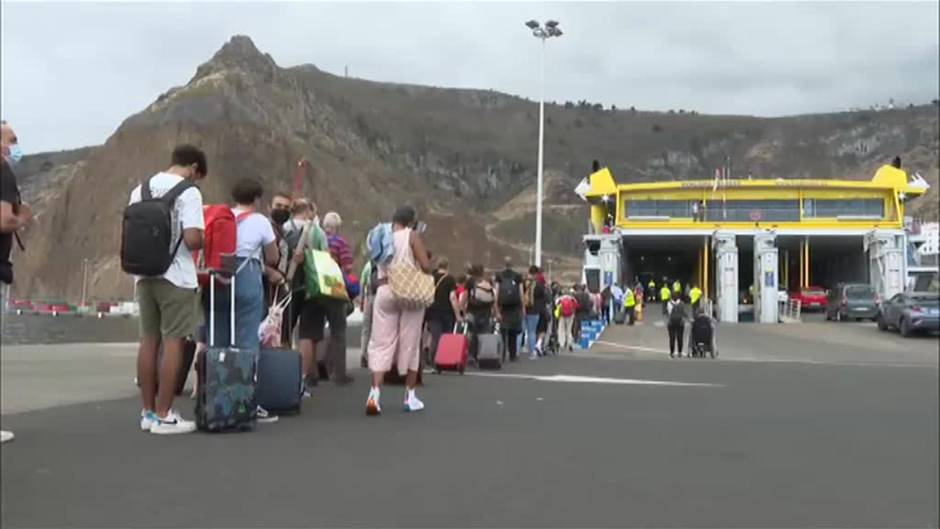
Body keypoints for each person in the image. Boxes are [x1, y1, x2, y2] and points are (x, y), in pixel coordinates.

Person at [128, 145, 206, 434]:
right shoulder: (189, 192)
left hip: (143, 274)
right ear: (194, 168)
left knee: (148, 341)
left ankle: (148, 412)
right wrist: (204, 238)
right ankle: (165, 413)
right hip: (176, 277)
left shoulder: (140, 189)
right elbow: (192, 239)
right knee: (174, 341)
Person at [365, 206, 431, 415]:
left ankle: (374, 394)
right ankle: (409, 396)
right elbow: (425, 265)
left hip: (385, 290)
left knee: (380, 342)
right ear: (411, 221)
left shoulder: (379, 235)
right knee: (410, 341)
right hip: (409, 292)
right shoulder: (411, 236)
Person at [1, 120, 31, 444]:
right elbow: (4, 219)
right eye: (11, 139)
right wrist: (23, 217)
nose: (16, 146)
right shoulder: (3, 172)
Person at [320, 211, 354, 385]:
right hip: (334, 287)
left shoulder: (316, 239)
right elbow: (347, 266)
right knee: (338, 331)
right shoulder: (340, 242)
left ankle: (316, 369)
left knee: (315, 330)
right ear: (337, 227)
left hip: (316, 288)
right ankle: (339, 373)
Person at [281, 198, 316, 346]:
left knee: (285, 322)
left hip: (285, 277)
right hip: (305, 282)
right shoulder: (312, 229)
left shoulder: (283, 227)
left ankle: (284, 348)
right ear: (307, 211)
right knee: (306, 328)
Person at [427, 258, 457, 366]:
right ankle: (443, 359)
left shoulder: (430, 278)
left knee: (435, 336)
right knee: (445, 337)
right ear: (447, 267)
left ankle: (432, 360)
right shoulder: (450, 279)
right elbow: (452, 297)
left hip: (432, 311)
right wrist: (457, 314)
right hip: (446, 312)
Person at [495, 257, 525, 362]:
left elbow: (497, 293)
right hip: (515, 307)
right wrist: (523, 307)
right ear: (512, 265)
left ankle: (502, 354)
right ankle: (512, 354)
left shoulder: (499, 276)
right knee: (513, 331)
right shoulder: (518, 276)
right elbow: (521, 294)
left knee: (503, 331)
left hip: (503, 307)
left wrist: (496, 308)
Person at [464, 264, 495, 363]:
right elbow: (493, 298)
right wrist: (495, 312)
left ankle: (471, 355)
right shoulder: (487, 281)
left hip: (472, 311)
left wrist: (461, 309)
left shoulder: (470, 282)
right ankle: (482, 355)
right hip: (486, 312)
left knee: (472, 333)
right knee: (483, 334)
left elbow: (465, 296)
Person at [359, 258, 374, 368]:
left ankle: (363, 354)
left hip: (368, 297)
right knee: (378, 329)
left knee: (366, 329)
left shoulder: (368, 265)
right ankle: (374, 356)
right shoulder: (385, 263)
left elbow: (362, 283)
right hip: (380, 296)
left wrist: (362, 299)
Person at [555, 287, 579, 352]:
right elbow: (577, 306)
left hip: (562, 315)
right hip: (571, 315)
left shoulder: (560, 299)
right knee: (569, 329)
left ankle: (561, 343)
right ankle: (569, 343)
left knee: (561, 329)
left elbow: (556, 305)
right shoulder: (572, 299)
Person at [666, 292, 689, 358]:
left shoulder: (669, 303)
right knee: (680, 338)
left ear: (672, 297)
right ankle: (680, 353)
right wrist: (688, 318)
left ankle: (672, 353)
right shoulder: (681, 303)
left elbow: (668, 313)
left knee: (672, 338)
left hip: (671, 323)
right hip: (680, 323)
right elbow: (684, 312)